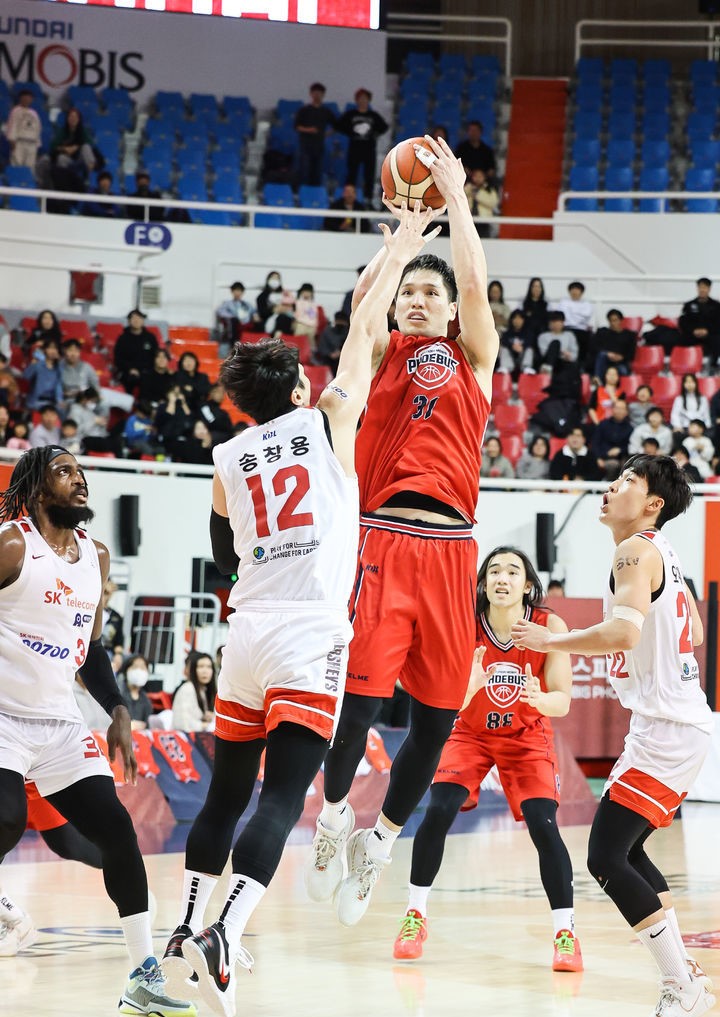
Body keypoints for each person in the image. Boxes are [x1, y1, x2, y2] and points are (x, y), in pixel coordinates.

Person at [161, 202, 432, 1017]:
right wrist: (403, 247)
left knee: (224, 793)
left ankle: (184, 927)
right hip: (310, 632)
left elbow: (219, 555)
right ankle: (225, 935)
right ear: (298, 385)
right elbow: (364, 322)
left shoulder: (225, 455)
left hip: (245, 629)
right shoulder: (328, 419)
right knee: (285, 798)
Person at [305, 134, 498, 929]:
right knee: (356, 705)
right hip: (381, 538)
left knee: (436, 718)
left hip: (453, 551)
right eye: (410, 292)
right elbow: (361, 314)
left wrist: (454, 202)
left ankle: (381, 843)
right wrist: (401, 249)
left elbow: (480, 289)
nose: (418, 299)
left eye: (431, 293)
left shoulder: (475, 356)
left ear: (450, 311)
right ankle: (334, 817)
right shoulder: (382, 349)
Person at [511, 453, 716, 1017]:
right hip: (672, 725)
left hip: (667, 730)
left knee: (605, 857)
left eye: (627, 480)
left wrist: (551, 641)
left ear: (652, 503)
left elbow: (624, 633)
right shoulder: (664, 554)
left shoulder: (633, 550)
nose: (611, 486)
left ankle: (683, 986)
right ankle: (687, 973)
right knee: (630, 849)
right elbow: (694, 627)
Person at [0, 446, 193, 1014]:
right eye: (64, 472)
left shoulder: (96, 558)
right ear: (37, 490)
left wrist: (118, 710)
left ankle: (143, 977)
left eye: (81, 472)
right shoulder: (13, 545)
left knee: (115, 828)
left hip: (59, 722)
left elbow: (90, 649)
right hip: (3, 716)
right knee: (8, 818)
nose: (79, 480)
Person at [393, 548, 581, 971]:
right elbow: (447, 705)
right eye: (493, 571)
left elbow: (562, 701)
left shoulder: (549, 626)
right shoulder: (464, 626)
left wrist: (538, 698)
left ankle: (566, 934)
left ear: (528, 584)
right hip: (471, 733)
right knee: (438, 810)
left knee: (542, 823)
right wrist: (470, 687)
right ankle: (415, 916)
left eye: (512, 571)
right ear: (481, 585)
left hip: (525, 735)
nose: (502, 578)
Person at [335, 88, 388, 203]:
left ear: (368, 100)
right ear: (357, 100)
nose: (363, 100)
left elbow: (384, 126)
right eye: (360, 98)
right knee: (351, 174)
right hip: (354, 148)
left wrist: (374, 133)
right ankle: (349, 198)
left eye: (365, 98)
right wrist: (350, 132)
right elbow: (339, 125)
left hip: (369, 149)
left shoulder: (373, 115)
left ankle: (368, 200)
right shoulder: (351, 114)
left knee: (369, 175)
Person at [294, 82, 336, 187]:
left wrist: (326, 134)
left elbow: (336, 126)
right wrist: (309, 130)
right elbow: (297, 126)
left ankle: (315, 193)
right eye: (315, 93)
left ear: (323, 95)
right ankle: (303, 191)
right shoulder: (304, 110)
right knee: (305, 169)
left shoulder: (326, 111)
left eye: (320, 93)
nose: (317, 95)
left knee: (317, 171)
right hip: (306, 145)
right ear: (311, 94)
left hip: (319, 145)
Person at [114, 309, 161, 393]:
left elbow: (155, 356)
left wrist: (146, 370)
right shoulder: (123, 338)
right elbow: (118, 359)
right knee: (129, 380)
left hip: (147, 371)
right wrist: (130, 369)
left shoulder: (150, 338)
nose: (136, 320)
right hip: (128, 372)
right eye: (133, 318)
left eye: (139, 318)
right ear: (129, 321)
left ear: (143, 321)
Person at [552, 281, 594, 371]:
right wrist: (577, 315)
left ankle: (581, 367)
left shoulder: (587, 304)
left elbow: (585, 317)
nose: (575, 292)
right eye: (572, 289)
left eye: (577, 290)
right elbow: (561, 317)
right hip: (567, 329)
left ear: (581, 292)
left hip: (581, 330)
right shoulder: (563, 302)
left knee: (587, 341)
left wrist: (571, 314)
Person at [678, 277, 720, 368]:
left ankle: (713, 366)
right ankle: (684, 364)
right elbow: (683, 322)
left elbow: (718, 323)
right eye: (700, 287)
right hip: (692, 334)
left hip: (709, 334)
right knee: (681, 339)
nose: (702, 290)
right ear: (697, 288)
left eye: (705, 287)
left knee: (717, 340)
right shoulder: (689, 305)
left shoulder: (716, 306)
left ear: (709, 289)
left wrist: (707, 331)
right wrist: (693, 330)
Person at [171, 653, 217, 733]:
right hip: (186, 739)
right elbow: (182, 723)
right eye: (201, 666)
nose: (205, 671)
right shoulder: (187, 689)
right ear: (193, 670)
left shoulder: (205, 690)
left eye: (209, 667)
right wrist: (205, 725)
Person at [591, 397, 632, 480]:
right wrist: (598, 458)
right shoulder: (603, 424)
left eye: (622, 408)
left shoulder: (630, 428)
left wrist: (620, 450)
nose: (619, 411)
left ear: (626, 412)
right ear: (612, 410)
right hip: (602, 457)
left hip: (620, 459)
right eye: (617, 408)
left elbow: (630, 446)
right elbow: (595, 443)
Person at [592, 308, 637, 380]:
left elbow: (631, 354)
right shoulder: (603, 332)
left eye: (615, 320)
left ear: (621, 320)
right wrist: (608, 354)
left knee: (623, 371)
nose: (613, 323)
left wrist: (621, 357)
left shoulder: (629, 335)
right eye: (610, 321)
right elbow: (595, 348)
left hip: (621, 363)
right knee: (602, 355)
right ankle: (598, 380)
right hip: (605, 362)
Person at [4, 89, 41, 171]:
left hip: (32, 143)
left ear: (31, 99)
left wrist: (37, 143)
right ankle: (16, 183)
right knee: (17, 165)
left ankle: (28, 183)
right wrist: (11, 140)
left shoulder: (34, 113)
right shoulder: (15, 111)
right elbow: (12, 125)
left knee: (30, 167)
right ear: (20, 99)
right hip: (19, 142)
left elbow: (38, 128)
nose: (26, 100)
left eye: (29, 98)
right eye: (24, 98)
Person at [23, 339, 64, 411]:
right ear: (45, 350)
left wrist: (59, 400)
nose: (53, 351)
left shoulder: (59, 368)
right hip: (36, 401)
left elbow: (58, 385)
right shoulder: (38, 364)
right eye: (50, 348)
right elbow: (26, 376)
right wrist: (33, 365)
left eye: (55, 348)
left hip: (51, 402)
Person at [118, 654, 154, 731]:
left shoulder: (146, 699)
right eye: (135, 667)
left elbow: (148, 724)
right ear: (126, 670)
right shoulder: (118, 692)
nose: (139, 671)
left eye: (143, 668)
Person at [60, 337, 100, 403]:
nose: (73, 354)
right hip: (67, 400)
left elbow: (96, 387)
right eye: (70, 350)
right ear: (64, 351)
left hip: (86, 399)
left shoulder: (87, 367)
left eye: (76, 351)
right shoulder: (59, 367)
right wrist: (67, 394)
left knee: (103, 405)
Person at [498, 308, 536, 375]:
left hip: (522, 356)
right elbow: (504, 341)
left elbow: (530, 342)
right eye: (515, 318)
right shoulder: (507, 333)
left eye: (520, 318)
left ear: (524, 320)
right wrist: (512, 346)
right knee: (503, 349)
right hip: (510, 357)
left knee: (529, 349)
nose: (517, 320)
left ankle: (526, 367)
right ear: (511, 320)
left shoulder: (528, 333)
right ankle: (505, 368)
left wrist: (522, 347)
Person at [216, 283, 254, 349]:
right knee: (233, 321)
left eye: (239, 291)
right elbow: (220, 312)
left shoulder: (247, 304)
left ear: (242, 292)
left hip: (245, 324)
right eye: (236, 290)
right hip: (233, 325)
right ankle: (233, 343)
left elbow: (253, 312)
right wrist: (233, 316)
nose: (237, 293)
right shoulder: (228, 303)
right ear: (232, 291)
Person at [463, 167, 499, 235]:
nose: (478, 179)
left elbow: (493, 203)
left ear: (484, 177)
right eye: (475, 176)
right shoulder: (468, 187)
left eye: (480, 176)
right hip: (468, 220)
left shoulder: (489, 189)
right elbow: (460, 197)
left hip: (483, 221)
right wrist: (469, 190)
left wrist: (477, 195)